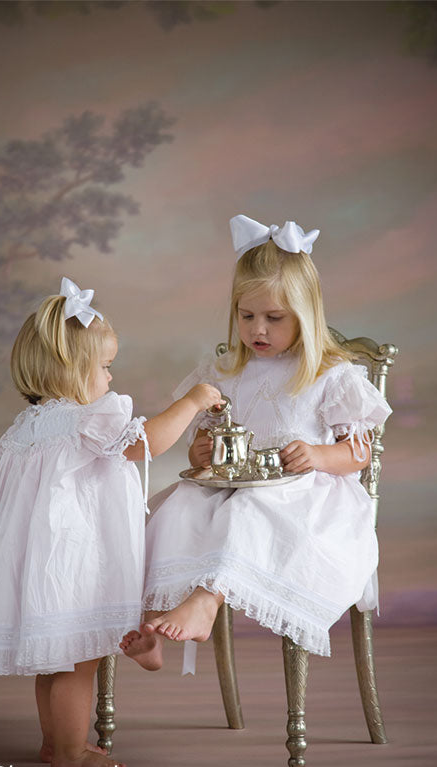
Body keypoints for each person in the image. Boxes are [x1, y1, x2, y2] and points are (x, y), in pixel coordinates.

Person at [0, 277, 221, 767]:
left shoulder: (30, 425)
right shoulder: (91, 416)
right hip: (77, 557)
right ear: (71, 371)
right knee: (80, 662)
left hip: (41, 563)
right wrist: (192, 401)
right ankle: (74, 754)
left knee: (54, 659)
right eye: (103, 367)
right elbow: (146, 444)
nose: (110, 379)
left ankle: (56, 744)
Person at [120, 215, 392, 672]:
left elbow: (360, 453)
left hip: (303, 497)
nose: (257, 330)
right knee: (175, 511)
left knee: (246, 514)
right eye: (246, 316)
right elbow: (204, 432)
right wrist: (200, 451)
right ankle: (151, 627)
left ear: (305, 316)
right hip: (232, 486)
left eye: (273, 318)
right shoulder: (227, 369)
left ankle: (206, 601)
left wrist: (321, 455)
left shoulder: (331, 375)